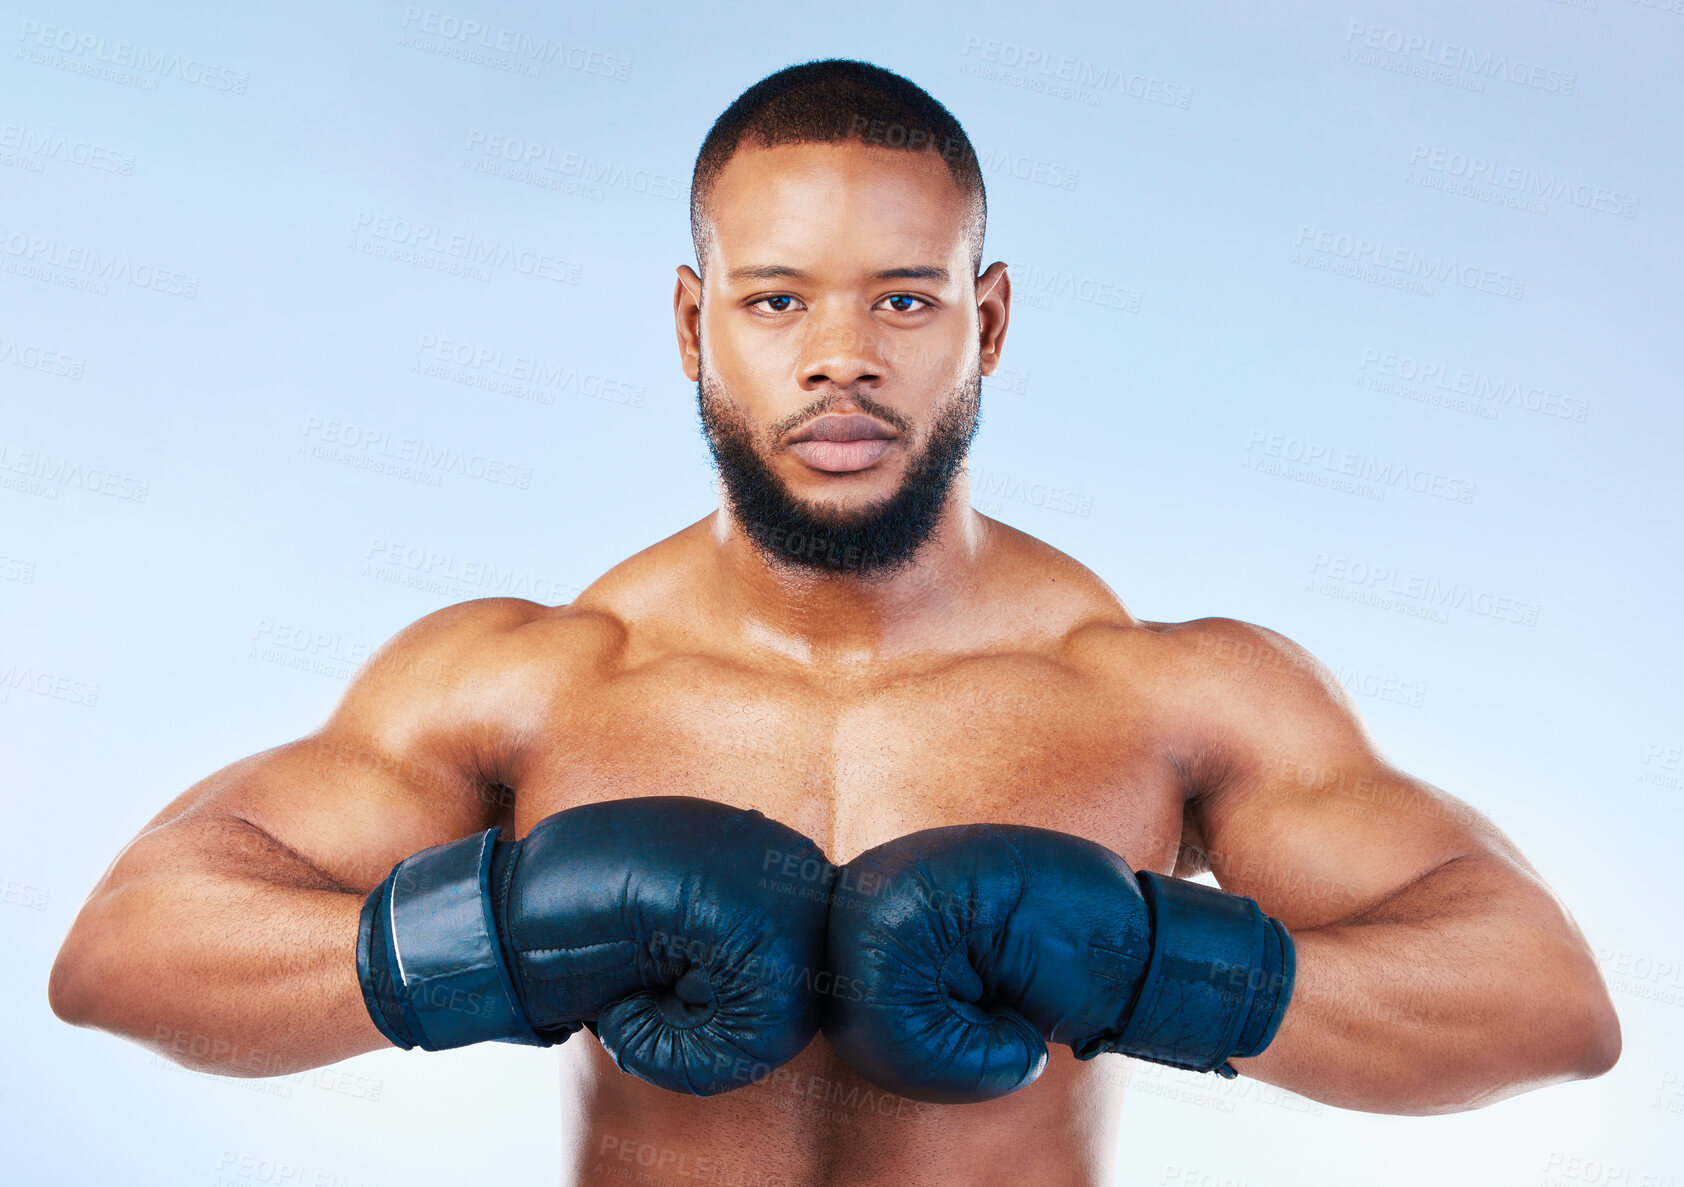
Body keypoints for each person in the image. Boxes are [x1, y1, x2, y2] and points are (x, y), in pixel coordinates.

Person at [48, 58, 1619, 1187]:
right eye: (779, 298)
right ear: (694, 324)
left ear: (986, 321)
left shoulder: (1163, 697)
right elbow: (129, 952)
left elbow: (1543, 1004)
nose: (840, 359)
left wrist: (1149, 962)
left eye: (905, 299)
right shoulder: (524, 682)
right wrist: (511, 934)